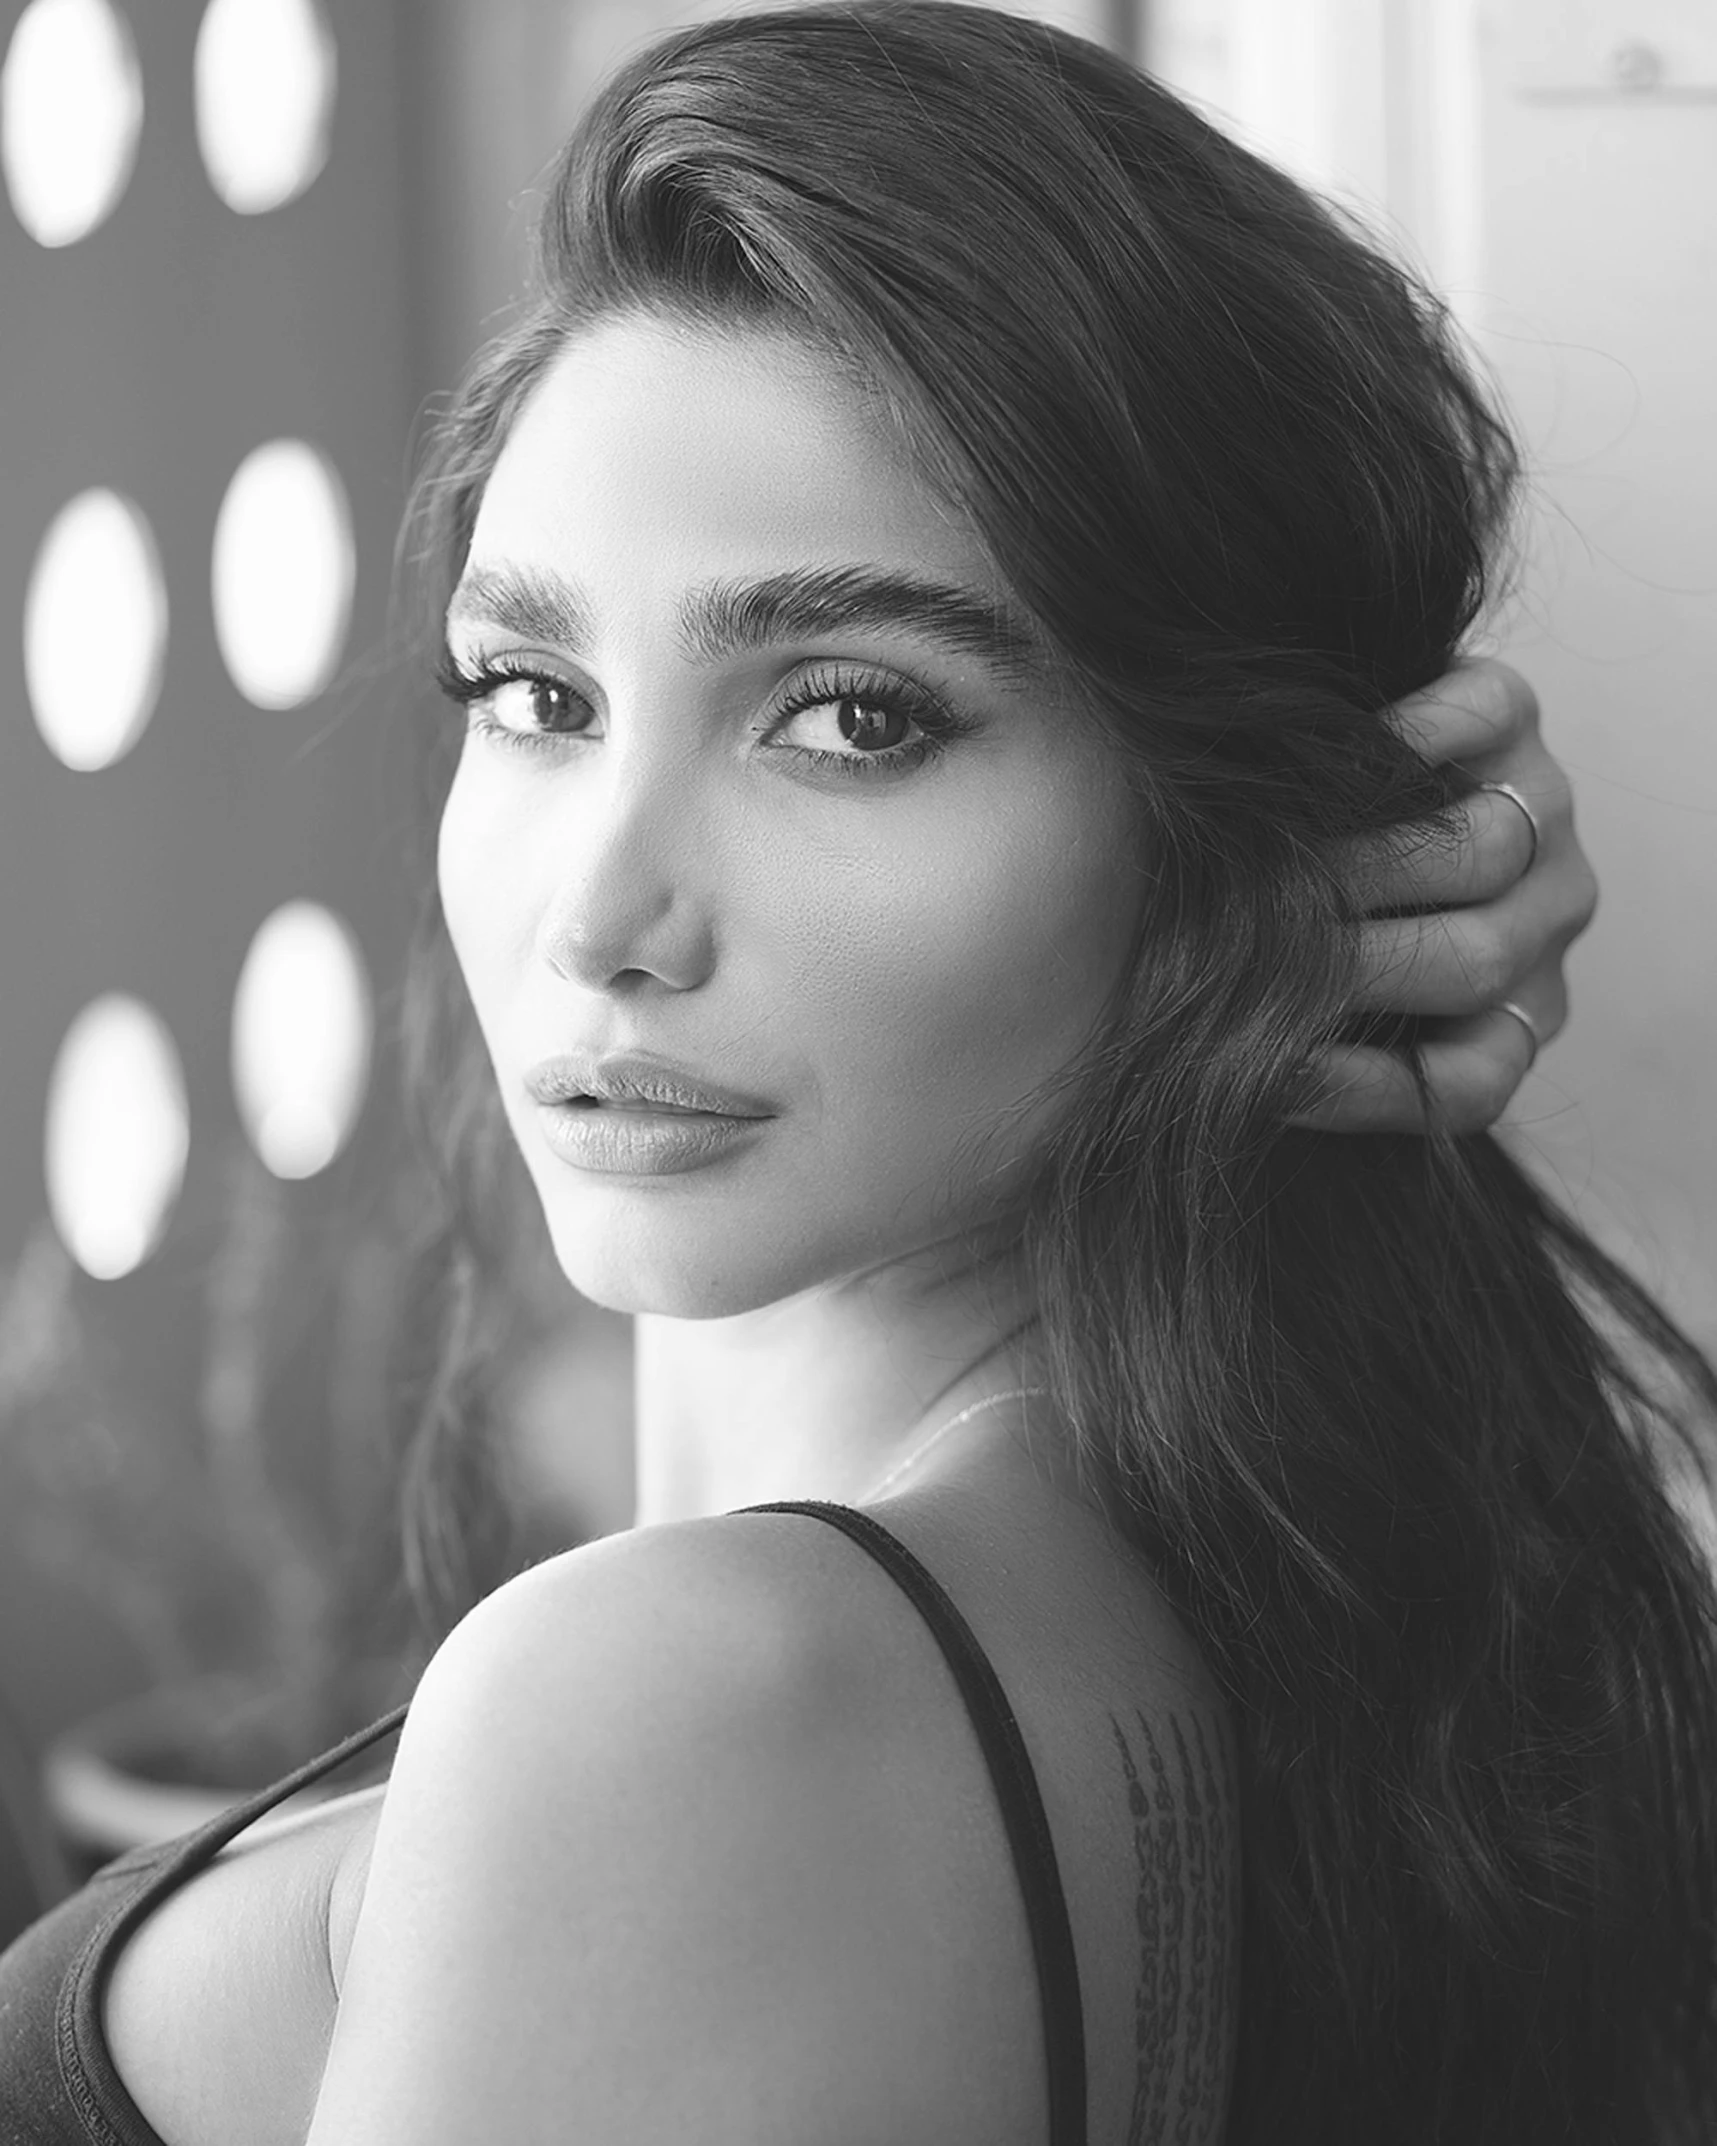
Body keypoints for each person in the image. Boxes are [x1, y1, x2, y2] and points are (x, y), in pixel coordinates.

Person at [1, 3, 1707, 2141]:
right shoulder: (1206, 1579)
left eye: (852, 718)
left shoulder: (699, 1714)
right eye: (534, 689)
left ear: (1225, 821)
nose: (600, 905)